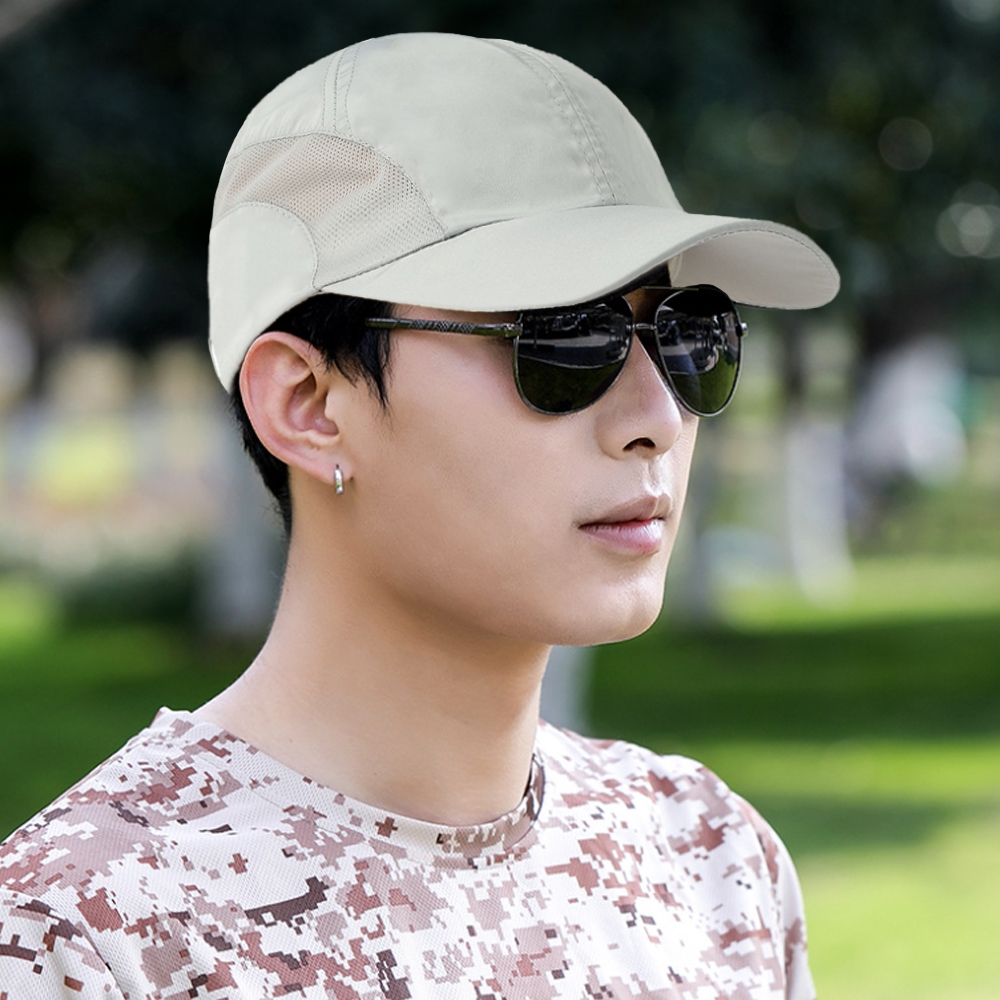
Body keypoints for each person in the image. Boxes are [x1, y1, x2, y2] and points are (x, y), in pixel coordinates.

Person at [0, 32, 838, 999]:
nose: (658, 416)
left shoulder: (709, 860)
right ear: (309, 405)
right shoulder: (91, 938)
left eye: (688, 335)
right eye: (565, 337)